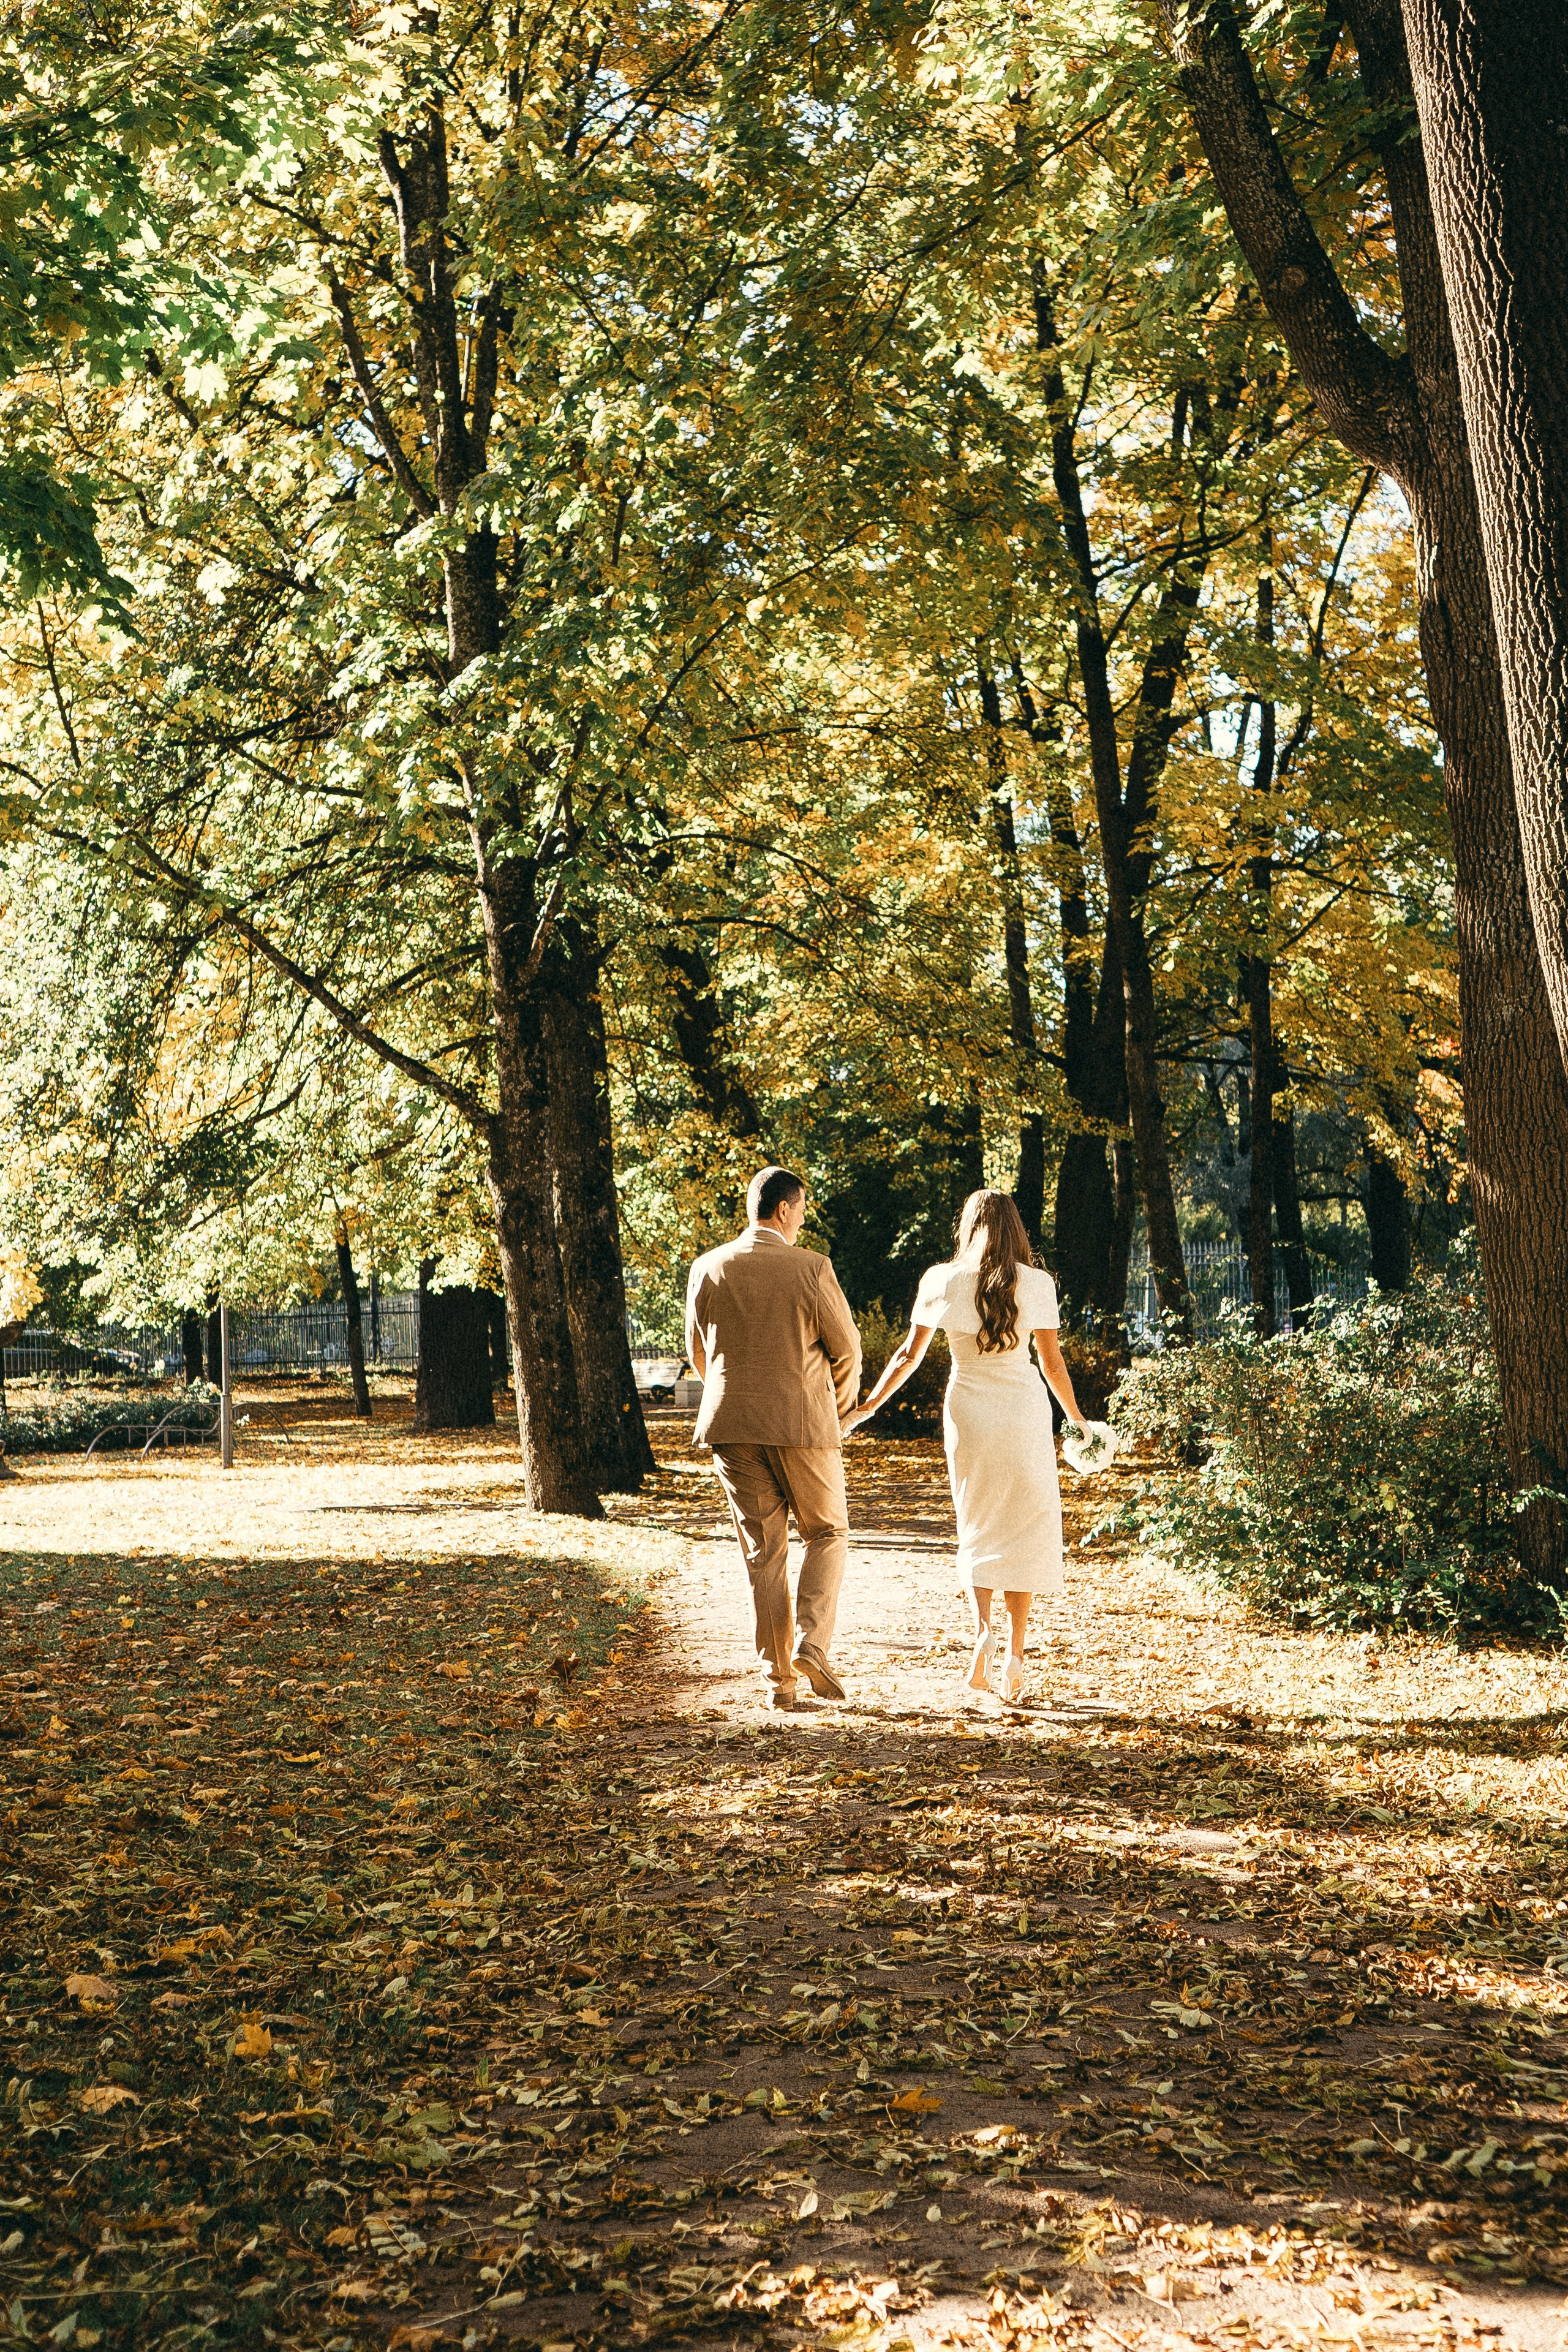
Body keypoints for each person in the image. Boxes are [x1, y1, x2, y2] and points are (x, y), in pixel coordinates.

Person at [842, 1189, 1084, 1703]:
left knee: (977, 1521)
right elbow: (1052, 1364)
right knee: (1024, 1525)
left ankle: (983, 1634)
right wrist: (1076, 1418)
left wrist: (869, 1406)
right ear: (1017, 1229)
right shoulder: (1037, 1283)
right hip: (1024, 1412)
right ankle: (1016, 1654)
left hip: (969, 1412)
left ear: (967, 1227)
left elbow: (908, 1356)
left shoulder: (942, 1279)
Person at [685, 1167, 862, 1711]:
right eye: (801, 1210)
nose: (802, 1220)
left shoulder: (707, 1267)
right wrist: (837, 1411)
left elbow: (698, 1352)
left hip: (732, 1426)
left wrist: (735, 1395)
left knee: (764, 1553)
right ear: (784, 1209)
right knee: (827, 1531)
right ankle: (813, 1644)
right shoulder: (812, 1267)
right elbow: (848, 1349)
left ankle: (779, 1682)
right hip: (803, 1423)